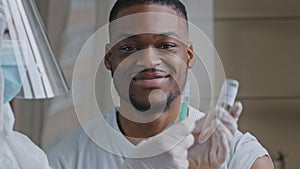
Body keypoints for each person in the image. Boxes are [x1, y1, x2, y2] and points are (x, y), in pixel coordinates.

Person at [47, 0, 274, 169]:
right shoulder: (64, 160)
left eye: (166, 45)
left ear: (189, 55)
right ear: (109, 58)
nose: (149, 61)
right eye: (129, 47)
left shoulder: (241, 157)